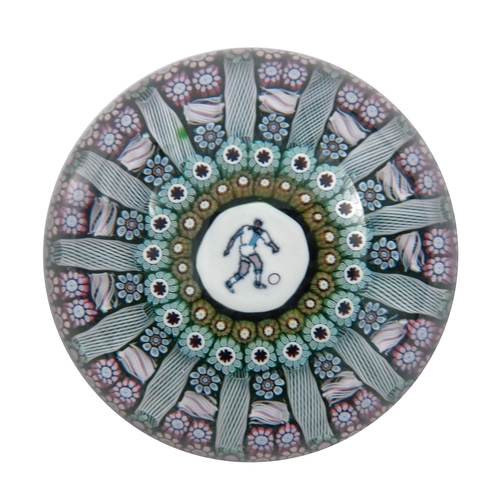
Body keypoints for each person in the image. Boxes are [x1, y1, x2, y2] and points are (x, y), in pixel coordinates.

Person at [223, 219, 279, 293]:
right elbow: (234, 238)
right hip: (247, 250)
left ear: (260, 225)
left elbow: (269, 242)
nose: (257, 225)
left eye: (258, 224)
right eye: (256, 223)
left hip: (245, 251)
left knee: (243, 271)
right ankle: (257, 283)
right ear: (254, 223)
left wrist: (275, 248)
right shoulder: (246, 228)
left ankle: (230, 283)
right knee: (258, 264)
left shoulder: (261, 232)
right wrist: (227, 249)